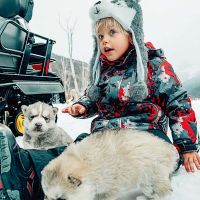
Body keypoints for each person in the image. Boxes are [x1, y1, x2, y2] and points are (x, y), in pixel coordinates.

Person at [0, 0, 199, 199]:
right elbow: (94, 99)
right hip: (104, 138)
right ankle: (23, 173)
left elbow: (178, 105)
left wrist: (187, 147)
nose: (104, 41)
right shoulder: (103, 71)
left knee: (105, 165)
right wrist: (83, 106)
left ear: (131, 33)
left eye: (112, 33)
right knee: (70, 154)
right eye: (100, 36)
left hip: (144, 137)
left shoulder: (154, 67)